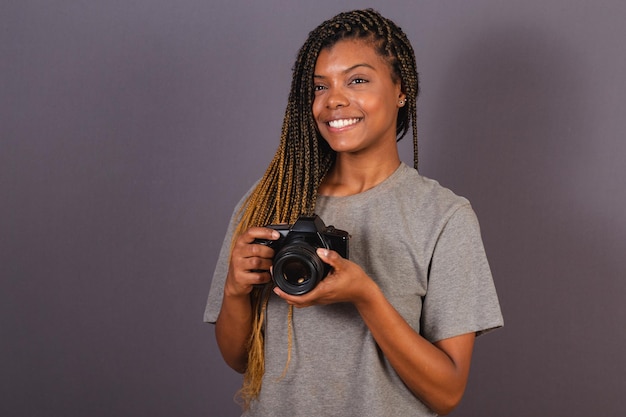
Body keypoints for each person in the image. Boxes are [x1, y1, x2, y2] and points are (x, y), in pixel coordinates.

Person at [204, 9, 503, 416]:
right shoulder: (269, 201)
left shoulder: (444, 217)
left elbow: (447, 392)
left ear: (401, 90)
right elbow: (239, 359)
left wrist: (366, 297)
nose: (334, 100)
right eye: (319, 86)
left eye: (357, 80)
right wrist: (235, 292)